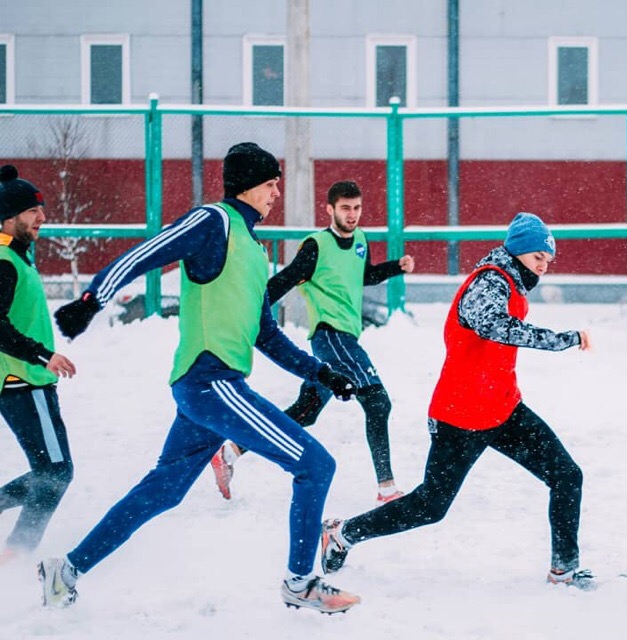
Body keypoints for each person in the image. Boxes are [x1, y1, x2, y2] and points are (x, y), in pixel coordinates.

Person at [37, 143, 361, 615]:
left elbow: (264, 333)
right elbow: (151, 251)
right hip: (212, 383)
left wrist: (322, 373)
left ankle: (64, 571)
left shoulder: (253, 248)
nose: (276, 193)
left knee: (164, 490)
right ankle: (300, 582)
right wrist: (93, 300)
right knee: (316, 465)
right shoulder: (215, 221)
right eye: (271, 183)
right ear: (248, 185)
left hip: (210, 392)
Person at [319, 212, 596, 590]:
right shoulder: (488, 283)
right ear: (516, 254)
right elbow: (494, 326)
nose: (543, 269)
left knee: (567, 476)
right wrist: (562, 339)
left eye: (547, 261)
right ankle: (343, 533)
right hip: (460, 417)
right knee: (430, 506)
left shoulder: (511, 284)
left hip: (502, 408)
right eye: (537, 259)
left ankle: (564, 570)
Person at [210, 180, 414, 505]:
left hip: (343, 338)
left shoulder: (360, 240)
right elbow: (283, 280)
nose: (352, 214)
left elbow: (362, 275)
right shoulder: (316, 246)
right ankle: (387, 489)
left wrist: (395, 268)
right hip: (331, 336)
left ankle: (230, 451)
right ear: (330, 209)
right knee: (377, 402)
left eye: (357, 207)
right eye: (345, 208)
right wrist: (250, 314)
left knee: (305, 411)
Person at [0, 165, 77, 565]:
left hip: (25, 381)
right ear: (8, 218)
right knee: (55, 473)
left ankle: (16, 549)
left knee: (52, 472)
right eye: (32, 211)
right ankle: (17, 552)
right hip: (23, 381)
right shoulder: (4, 260)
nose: (42, 217)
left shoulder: (15, 256)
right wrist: (44, 355)